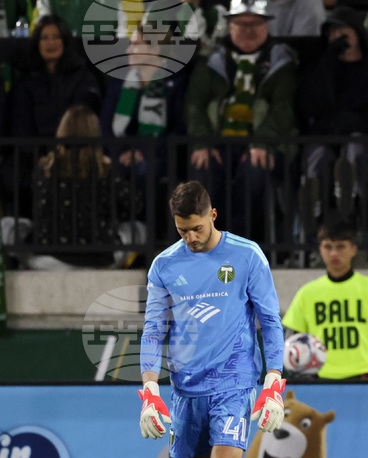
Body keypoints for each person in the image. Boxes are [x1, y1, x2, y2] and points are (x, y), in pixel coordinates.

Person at [138, 180, 287, 458]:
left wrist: (273, 379)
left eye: (197, 228)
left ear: (212, 216)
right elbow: (153, 328)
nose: (190, 237)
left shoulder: (246, 255)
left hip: (235, 380)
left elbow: (270, 320)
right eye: (182, 229)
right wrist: (150, 388)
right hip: (186, 387)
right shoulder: (165, 265)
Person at [184, 0, 298, 240]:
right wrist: (202, 142)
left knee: (255, 174)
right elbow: (195, 104)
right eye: (241, 24)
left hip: (264, 144)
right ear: (230, 26)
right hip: (218, 142)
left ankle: (245, 243)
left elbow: (283, 108)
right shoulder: (211, 60)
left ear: (266, 26)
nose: (248, 30)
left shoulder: (282, 62)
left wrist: (263, 142)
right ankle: (205, 245)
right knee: (202, 173)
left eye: (255, 24)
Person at [298, 6, 368, 221]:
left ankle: (350, 200)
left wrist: (355, 123)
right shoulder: (321, 69)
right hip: (329, 139)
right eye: (332, 33)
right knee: (318, 154)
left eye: (343, 31)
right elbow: (310, 104)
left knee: (355, 148)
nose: (338, 37)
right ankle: (312, 211)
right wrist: (328, 61)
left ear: (357, 33)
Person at [282, 222, 368, 380]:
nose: (333, 253)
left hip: (363, 381)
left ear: (353, 249)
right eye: (328, 247)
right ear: (320, 249)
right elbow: (290, 341)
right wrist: (305, 376)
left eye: (340, 247)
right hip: (319, 383)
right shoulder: (307, 293)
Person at [32, 104, 143, 268]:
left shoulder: (45, 168)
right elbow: (135, 204)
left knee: (9, 225)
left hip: (49, 258)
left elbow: (36, 207)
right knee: (139, 229)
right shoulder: (102, 168)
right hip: (98, 259)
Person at [99, 22, 188, 204]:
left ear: (155, 49)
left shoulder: (175, 84)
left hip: (159, 156)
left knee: (144, 171)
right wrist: (122, 150)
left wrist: (143, 151)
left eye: (136, 45)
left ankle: (143, 227)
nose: (129, 51)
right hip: (120, 153)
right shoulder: (120, 82)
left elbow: (178, 128)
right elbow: (105, 124)